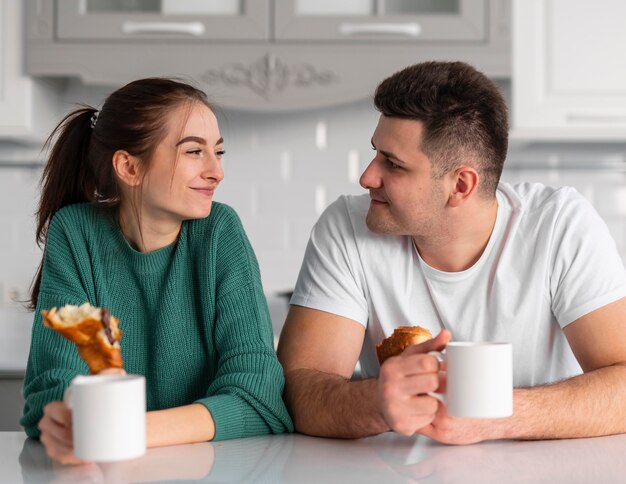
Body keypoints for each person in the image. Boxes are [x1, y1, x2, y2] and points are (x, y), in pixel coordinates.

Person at [277, 61, 626, 443]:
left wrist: (497, 417)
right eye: (376, 153)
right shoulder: (346, 227)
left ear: (461, 185)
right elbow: (299, 391)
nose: (367, 177)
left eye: (392, 164)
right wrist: (376, 403)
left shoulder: (560, 226)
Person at [21, 77, 293, 464]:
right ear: (129, 167)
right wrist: (64, 419)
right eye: (194, 152)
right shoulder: (76, 232)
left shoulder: (220, 232)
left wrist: (117, 430)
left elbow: (258, 397)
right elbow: (49, 389)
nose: (217, 171)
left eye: (218, 152)